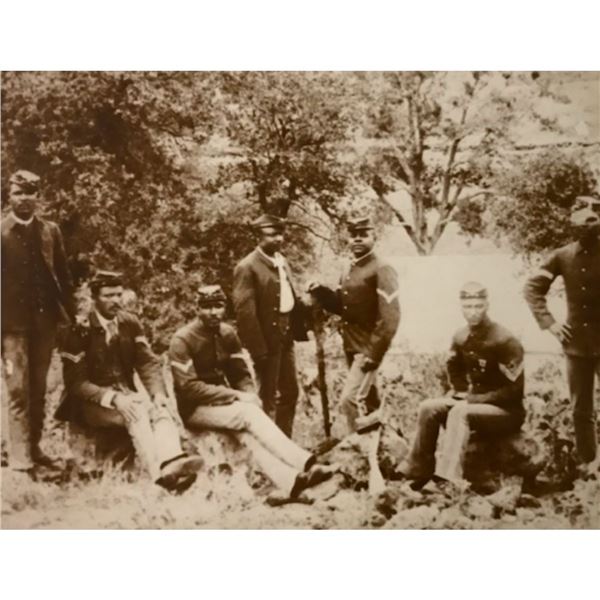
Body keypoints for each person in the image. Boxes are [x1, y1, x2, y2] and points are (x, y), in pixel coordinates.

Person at [169, 285, 336, 502]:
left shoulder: (227, 333)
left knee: (247, 434)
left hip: (223, 405)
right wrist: (236, 396)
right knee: (247, 414)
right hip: (194, 409)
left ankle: (291, 481)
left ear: (224, 307)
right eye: (207, 307)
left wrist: (248, 393)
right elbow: (189, 388)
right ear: (197, 309)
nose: (213, 312)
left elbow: (240, 374)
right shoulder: (182, 340)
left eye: (218, 306)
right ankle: (307, 463)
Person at [56, 270, 203, 492]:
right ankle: (159, 477)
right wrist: (114, 398)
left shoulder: (129, 323)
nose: (115, 300)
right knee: (137, 412)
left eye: (118, 294)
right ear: (94, 298)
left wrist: (157, 394)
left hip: (125, 393)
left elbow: (147, 362)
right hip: (89, 404)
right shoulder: (79, 330)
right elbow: (76, 384)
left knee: (160, 409)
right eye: (108, 295)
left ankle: (173, 461)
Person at [400, 282, 525, 491]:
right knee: (428, 407)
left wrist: (474, 399)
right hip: (474, 404)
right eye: (468, 306)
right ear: (461, 307)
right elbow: (454, 367)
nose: (473, 312)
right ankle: (419, 469)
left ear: (487, 305)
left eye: (478, 306)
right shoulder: (461, 337)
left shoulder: (504, 340)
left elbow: (515, 391)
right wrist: (460, 391)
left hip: (506, 412)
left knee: (460, 412)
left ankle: (448, 480)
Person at [1, 169, 75, 476]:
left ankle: (34, 448)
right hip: (10, 328)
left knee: (38, 389)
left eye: (30, 193)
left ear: (38, 197)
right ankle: (20, 459)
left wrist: (70, 318)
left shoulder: (49, 231)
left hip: (44, 325)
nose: (24, 199)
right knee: (18, 390)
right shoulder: (1, 232)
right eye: (18, 193)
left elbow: (63, 278)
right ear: (9, 196)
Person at [524, 197, 600, 477]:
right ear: (572, 224)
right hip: (576, 346)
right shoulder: (562, 256)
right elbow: (532, 288)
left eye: (592, 220)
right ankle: (588, 466)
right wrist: (550, 323)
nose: (587, 226)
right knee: (581, 409)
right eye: (581, 222)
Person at [308, 216, 400, 436]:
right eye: (353, 235)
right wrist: (321, 291)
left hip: (367, 348)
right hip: (351, 345)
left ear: (374, 237)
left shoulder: (382, 269)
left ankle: (359, 446)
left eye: (363, 235)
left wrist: (373, 353)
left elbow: (390, 318)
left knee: (349, 400)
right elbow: (343, 307)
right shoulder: (349, 269)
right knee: (369, 401)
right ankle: (388, 445)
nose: (357, 239)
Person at [232, 214, 309, 437]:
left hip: (286, 335)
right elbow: (245, 313)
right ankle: (266, 445)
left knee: (290, 392)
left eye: (280, 234)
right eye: (272, 234)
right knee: (267, 397)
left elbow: (288, 297)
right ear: (258, 236)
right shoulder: (247, 267)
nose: (278, 239)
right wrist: (258, 350)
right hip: (266, 339)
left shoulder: (281, 261)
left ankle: (285, 441)